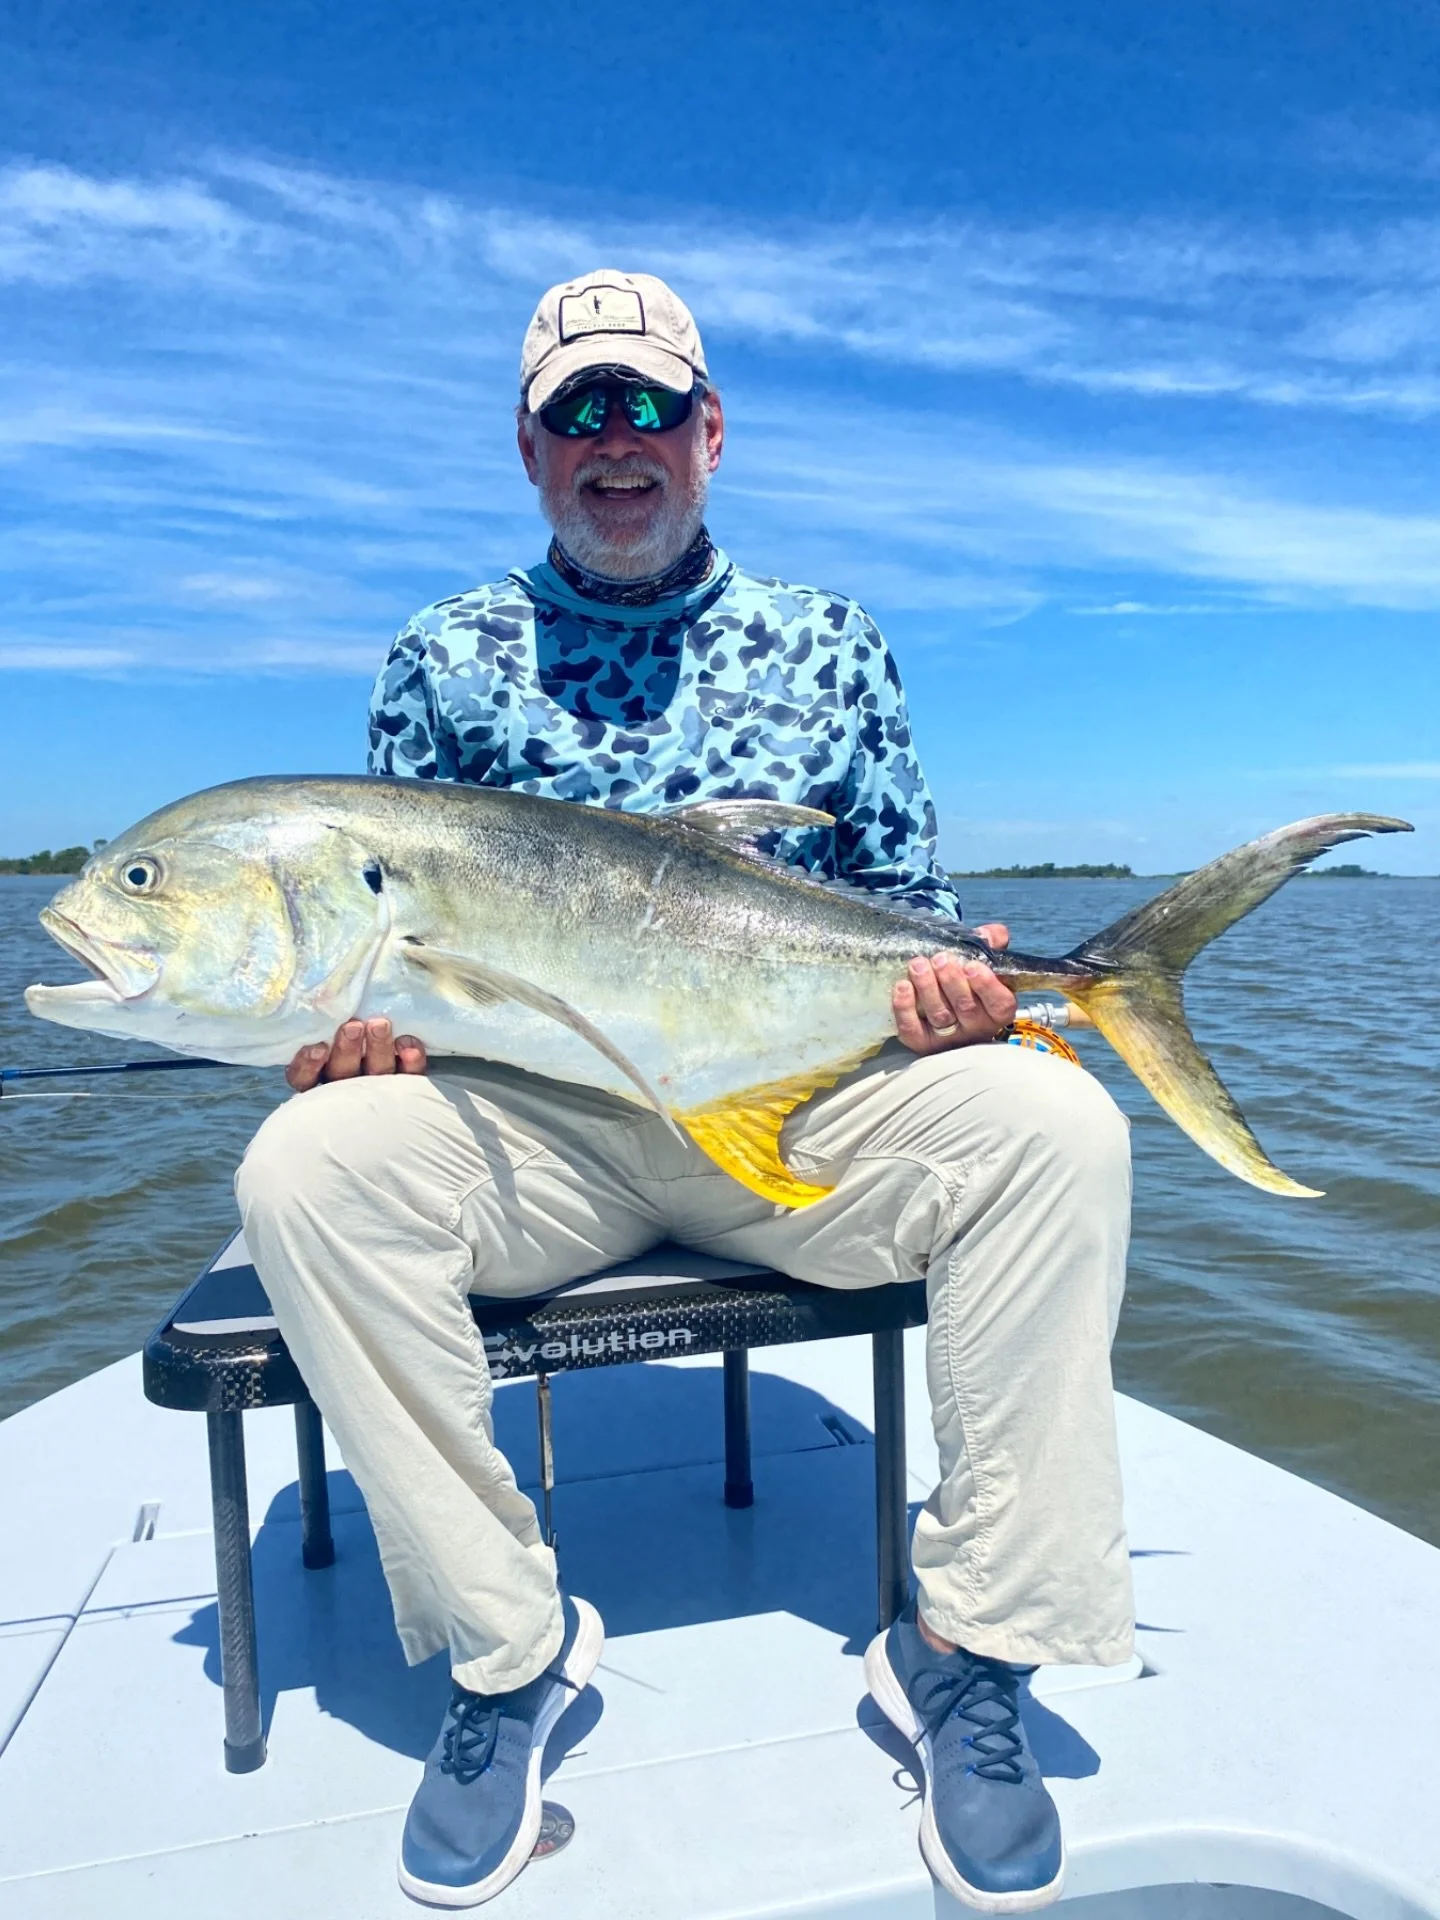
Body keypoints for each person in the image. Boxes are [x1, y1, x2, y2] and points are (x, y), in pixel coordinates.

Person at [236, 270, 1134, 1913]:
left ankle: (967, 1650)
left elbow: (898, 895)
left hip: (798, 1107)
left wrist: (950, 996)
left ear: (709, 432)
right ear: (530, 450)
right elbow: (391, 943)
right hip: (540, 1130)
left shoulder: (830, 642)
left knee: (1058, 1123)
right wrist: (349, 1034)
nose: (616, 439)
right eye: (579, 411)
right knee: (306, 1164)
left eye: (648, 405)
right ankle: (507, 1658)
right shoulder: (442, 657)